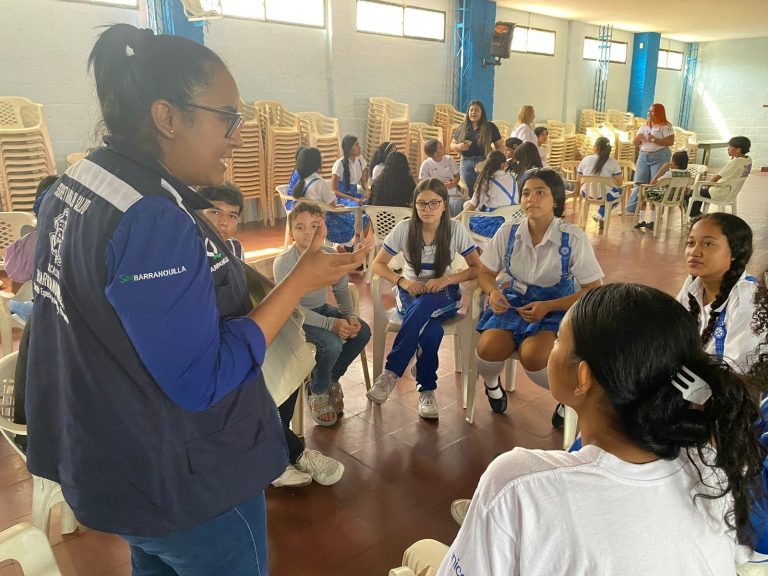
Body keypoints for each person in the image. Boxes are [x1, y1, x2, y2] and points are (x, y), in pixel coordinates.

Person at [24, 24, 368, 575]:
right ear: (167, 117)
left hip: (117, 462)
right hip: (186, 485)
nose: (237, 135)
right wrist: (298, 282)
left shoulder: (79, 182)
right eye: (227, 118)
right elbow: (200, 376)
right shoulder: (151, 219)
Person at [402, 283, 763, 575]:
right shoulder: (712, 461)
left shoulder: (518, 482)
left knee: (419, 552)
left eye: (558, 339)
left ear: (583, 376)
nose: (553, 347)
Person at [474, 168, 603, 422]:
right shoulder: (508, 232)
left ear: (555, 199)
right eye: (525, 193)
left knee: (534, 356)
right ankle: (492, 386)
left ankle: (568, 399)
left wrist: (549, 306)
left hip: (557, 307)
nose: (530, 199)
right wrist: (492, 292)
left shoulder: (573, 239)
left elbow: (593, 290)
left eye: (539, 192)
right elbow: (485, 272)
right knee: (487, 349)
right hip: (514, 304)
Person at [366, 179, 481, 419]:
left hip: (445, 294)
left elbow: (476, 269)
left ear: (444, 205)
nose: (427, 209)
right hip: (410, 292)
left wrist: (446, 280)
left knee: (425, 306)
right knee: (431, 331)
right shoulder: (405, 229)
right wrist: (403, 282)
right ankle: (427, 389)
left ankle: (391, 371)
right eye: (421, 204)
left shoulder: (455, 229)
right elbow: (378, 264)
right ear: (414, 206)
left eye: (433, 203)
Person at [274, 199, 371, 428]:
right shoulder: (284, 262)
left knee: (363, 332)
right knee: (332, 344)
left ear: (323, 228)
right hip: (295, 318)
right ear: (291, 232)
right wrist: (331, 324)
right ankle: (317, 390)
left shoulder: (329, 255)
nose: (308, 232)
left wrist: (351, 318)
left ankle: (330, 379)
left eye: (314, 226)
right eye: (300, 227)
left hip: (319, 311)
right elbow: (293, 308)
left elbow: (341, 290)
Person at [677, 213, 762, 374]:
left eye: (708, 244)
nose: (694, 252)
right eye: (690, 243)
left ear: (735, 252)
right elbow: (671, 330)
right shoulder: (693, 283)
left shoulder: (747, 298)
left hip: (730, 392)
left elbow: (738, 374)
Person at [459, 150, 518, 240]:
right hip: (513, 222)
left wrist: (455, 219)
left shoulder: (487, 180)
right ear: (503, 165)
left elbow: (472, 205)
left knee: (466, 221)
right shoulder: (512, 178)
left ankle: (475, 249)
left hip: (494, 225)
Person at [688, 136, 752, 217]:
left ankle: (694, 214)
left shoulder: (736, 162)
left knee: (693, 191)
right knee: (701, 189)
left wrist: (704, 185)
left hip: (720, 192)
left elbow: (716, 178)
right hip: (731, 192)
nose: (728, 149)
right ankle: (695, 213)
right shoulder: (748, 160)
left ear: (737, 150)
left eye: (730, 147)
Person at [627, 102, 674, 214]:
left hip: (660, 156)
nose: (649, 113)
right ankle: (632, 209)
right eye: (649, 111)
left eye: (652, 111)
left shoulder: (666, 126)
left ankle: (655, 212)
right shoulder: (644, 126)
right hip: (644, 156)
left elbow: (670, 141)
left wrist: (652, 139)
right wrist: (638, 138)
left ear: (659, 113)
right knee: (639, 182)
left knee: (656, 184)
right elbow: (634, 143)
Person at [450, 101, 503, 196]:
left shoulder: (490, 127)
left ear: (482, 112)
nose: (473, 112)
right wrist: (458, 146)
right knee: (470, 191)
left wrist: (490, 160)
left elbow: (500, 146)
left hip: (484, 161)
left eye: (477, 110)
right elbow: (452, 144)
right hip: (466, 162)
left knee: (485, 189)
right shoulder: (463, 126)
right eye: (471, 110)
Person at [634, 150, 690, 229]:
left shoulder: (670, 174)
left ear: (674, 162)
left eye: (671, 160)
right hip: (677, 199)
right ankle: (652, 222)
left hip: (664, 198)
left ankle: (642, 220)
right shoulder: (688, 174)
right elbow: (687, 191)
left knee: (642, 194)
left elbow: (653, 182)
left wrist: (663, 168)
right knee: (653, 194)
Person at [576, 136, 623, 224]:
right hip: (606, 196)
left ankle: (601, 215)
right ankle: (601, 214)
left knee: (606, 192)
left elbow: (578, 179)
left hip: (586, 194)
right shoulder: (613, 163)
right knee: (619, 192)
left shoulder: (585, 159)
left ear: (596, 147)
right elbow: (619, 182)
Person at [198, 181, 246, 260]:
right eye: (215, 212)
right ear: (198, 214)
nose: (224, 222)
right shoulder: (189, 250)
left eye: (232, 216)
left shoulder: (235, 247)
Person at [418, 138, 461, 216]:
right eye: (440, 147)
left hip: (451, 190)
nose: (444, 148)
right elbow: (422, 184)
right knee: (436, 205)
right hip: (434, 192)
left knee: (456, 204)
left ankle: (454, 223)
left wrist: (453, 184)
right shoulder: (426, 164)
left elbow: (457, 176)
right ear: (434, 153)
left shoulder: (449, 159)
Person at [331, 134, 369, 205]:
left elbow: (363, 181)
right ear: (349, 148)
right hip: (342, 198)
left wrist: (367, 190)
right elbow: (334, 190)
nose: (359, 147)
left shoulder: (360, 161)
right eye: (356, 145)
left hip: (354, 196)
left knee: (371, 203)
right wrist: (352, 199)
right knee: (355, 207)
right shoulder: (339, 163)